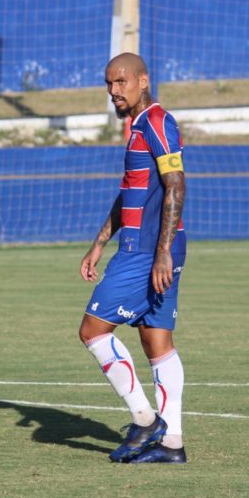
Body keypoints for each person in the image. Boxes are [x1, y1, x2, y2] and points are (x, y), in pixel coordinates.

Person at [79, 52, 187, 464]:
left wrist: (160, 253)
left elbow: (175, 184)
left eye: (121, 82)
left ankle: (145, 420)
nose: (113, 91)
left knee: (93, 331)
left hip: (147, 250)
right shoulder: (137, 127)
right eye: (108, 84)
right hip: (149, 246)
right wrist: (99, 242)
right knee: (156, 342)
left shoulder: (158, 122)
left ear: (143, 80)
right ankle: (172, 444)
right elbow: (130, 194)